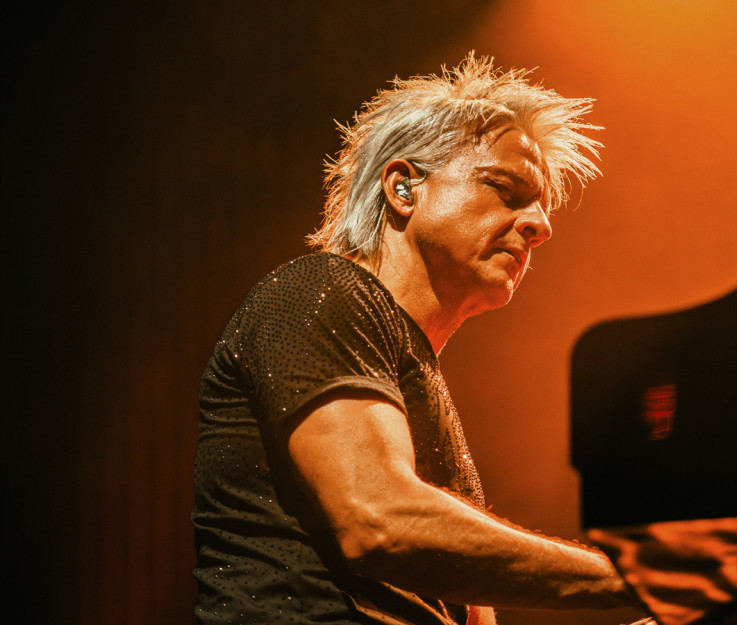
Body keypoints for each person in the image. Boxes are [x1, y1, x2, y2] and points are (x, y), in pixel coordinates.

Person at [193, 54, 638, 625]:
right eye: (505, 189)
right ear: (404, 188)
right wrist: (637, 580)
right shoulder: (319, 291)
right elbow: (379, 522)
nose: (540, 225)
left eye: (541, 207)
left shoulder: (413, 377)